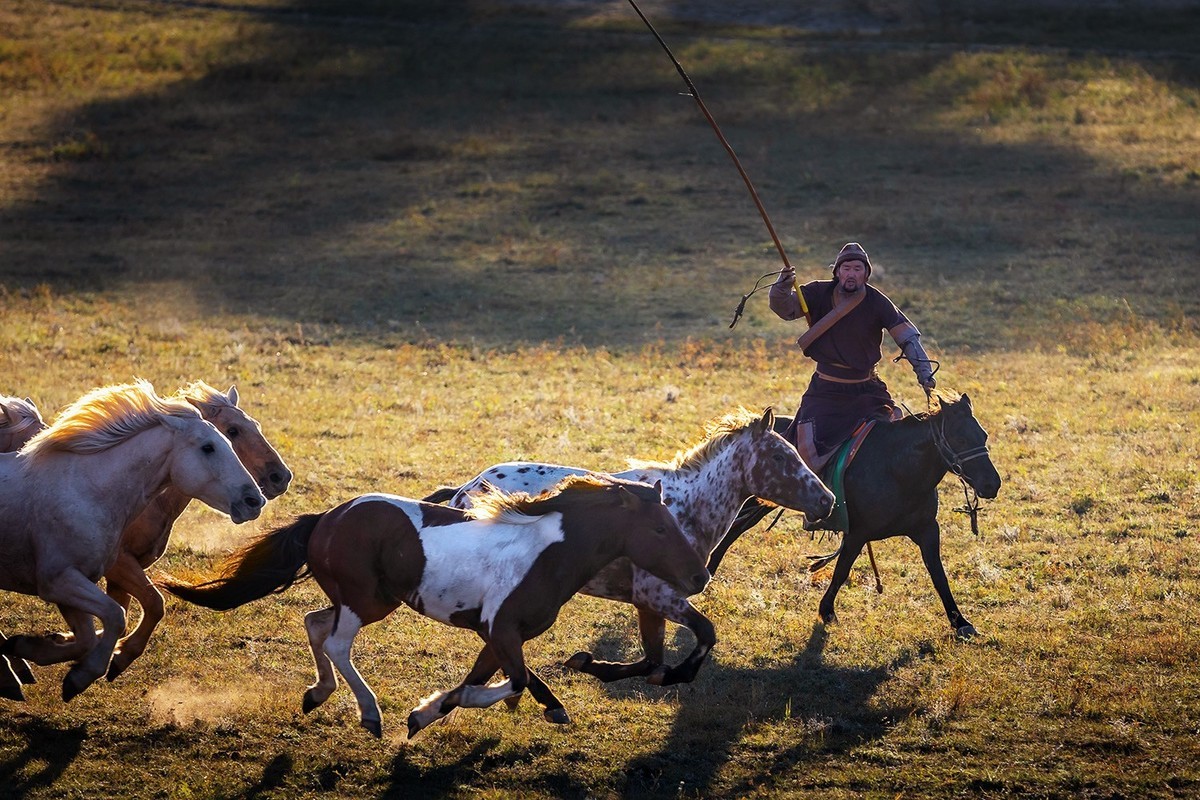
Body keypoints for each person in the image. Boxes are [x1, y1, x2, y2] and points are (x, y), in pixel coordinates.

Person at [769, 242, 936, 473]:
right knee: (805, 451)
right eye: (846, 268)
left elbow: (907, 337)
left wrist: (925, 374)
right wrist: (782, 286)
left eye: (857, 269)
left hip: (867, 391)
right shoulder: (818, 292)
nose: (851, 274)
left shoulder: (877, 301)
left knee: (890, 442)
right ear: (837, 272)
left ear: (866, 274)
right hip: (825, 391)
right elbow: (785, 308)